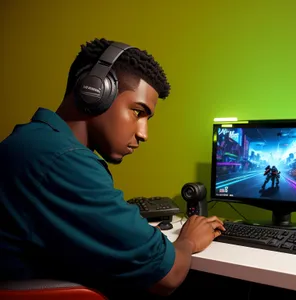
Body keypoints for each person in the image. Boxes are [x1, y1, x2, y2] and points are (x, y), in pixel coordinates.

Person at [0, 37, 225, 298]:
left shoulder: (32, 141)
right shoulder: (64, 161)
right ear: (94, 91)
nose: (144, 134)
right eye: (137, 112)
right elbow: (168, 276)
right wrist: (189, 240)